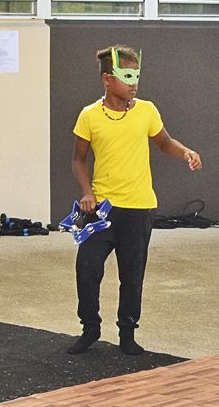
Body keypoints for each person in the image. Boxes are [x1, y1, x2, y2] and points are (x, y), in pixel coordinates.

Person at [66, 44, 202, 356]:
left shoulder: (147, 111)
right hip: (100, 209)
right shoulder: (89, 116)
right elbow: (78, 160)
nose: (133, 83)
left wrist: (185, 153)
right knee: (87, 268)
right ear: (107, 79)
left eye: (136, 75)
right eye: (126, 76)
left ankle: (127, 332)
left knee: (132, 273)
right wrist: (87, 192)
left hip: (140, 207)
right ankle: (90, 328)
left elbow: (165, 142)